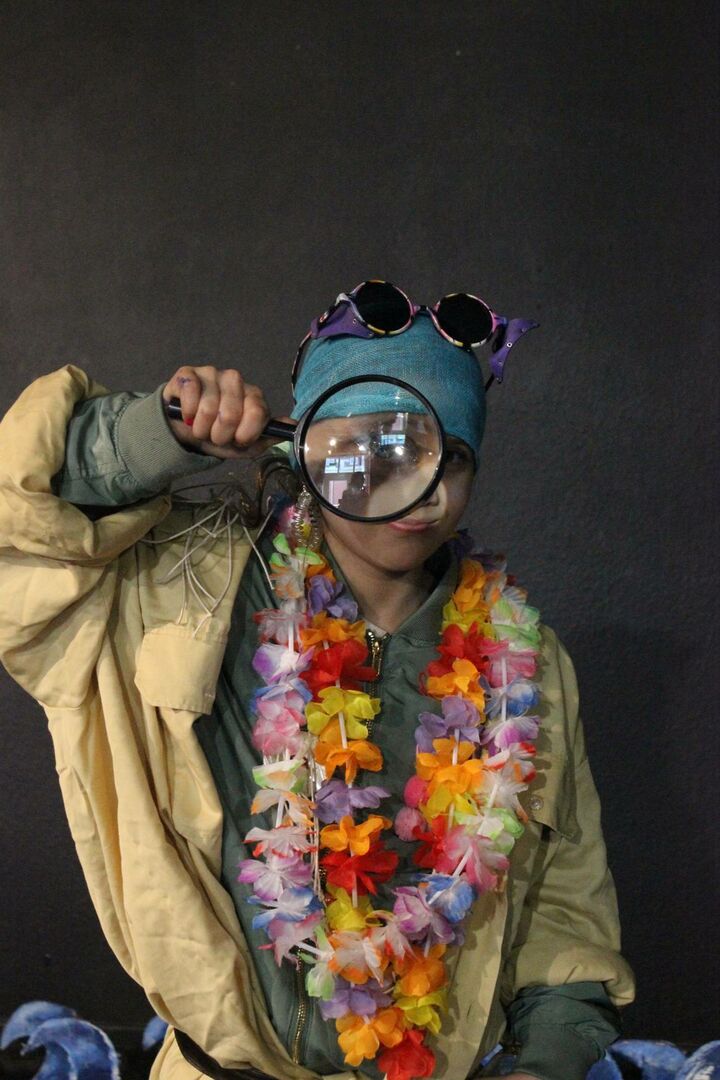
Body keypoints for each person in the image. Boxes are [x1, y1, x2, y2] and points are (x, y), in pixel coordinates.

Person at [0, 292, 635, 1080]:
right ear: (307, 452)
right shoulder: (179, 589)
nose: (424, 488)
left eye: (452, 456)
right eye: (381, 448)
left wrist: (546, 1062)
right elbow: (21, 517)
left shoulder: (528, 664)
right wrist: (156, 431)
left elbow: (566, 909)